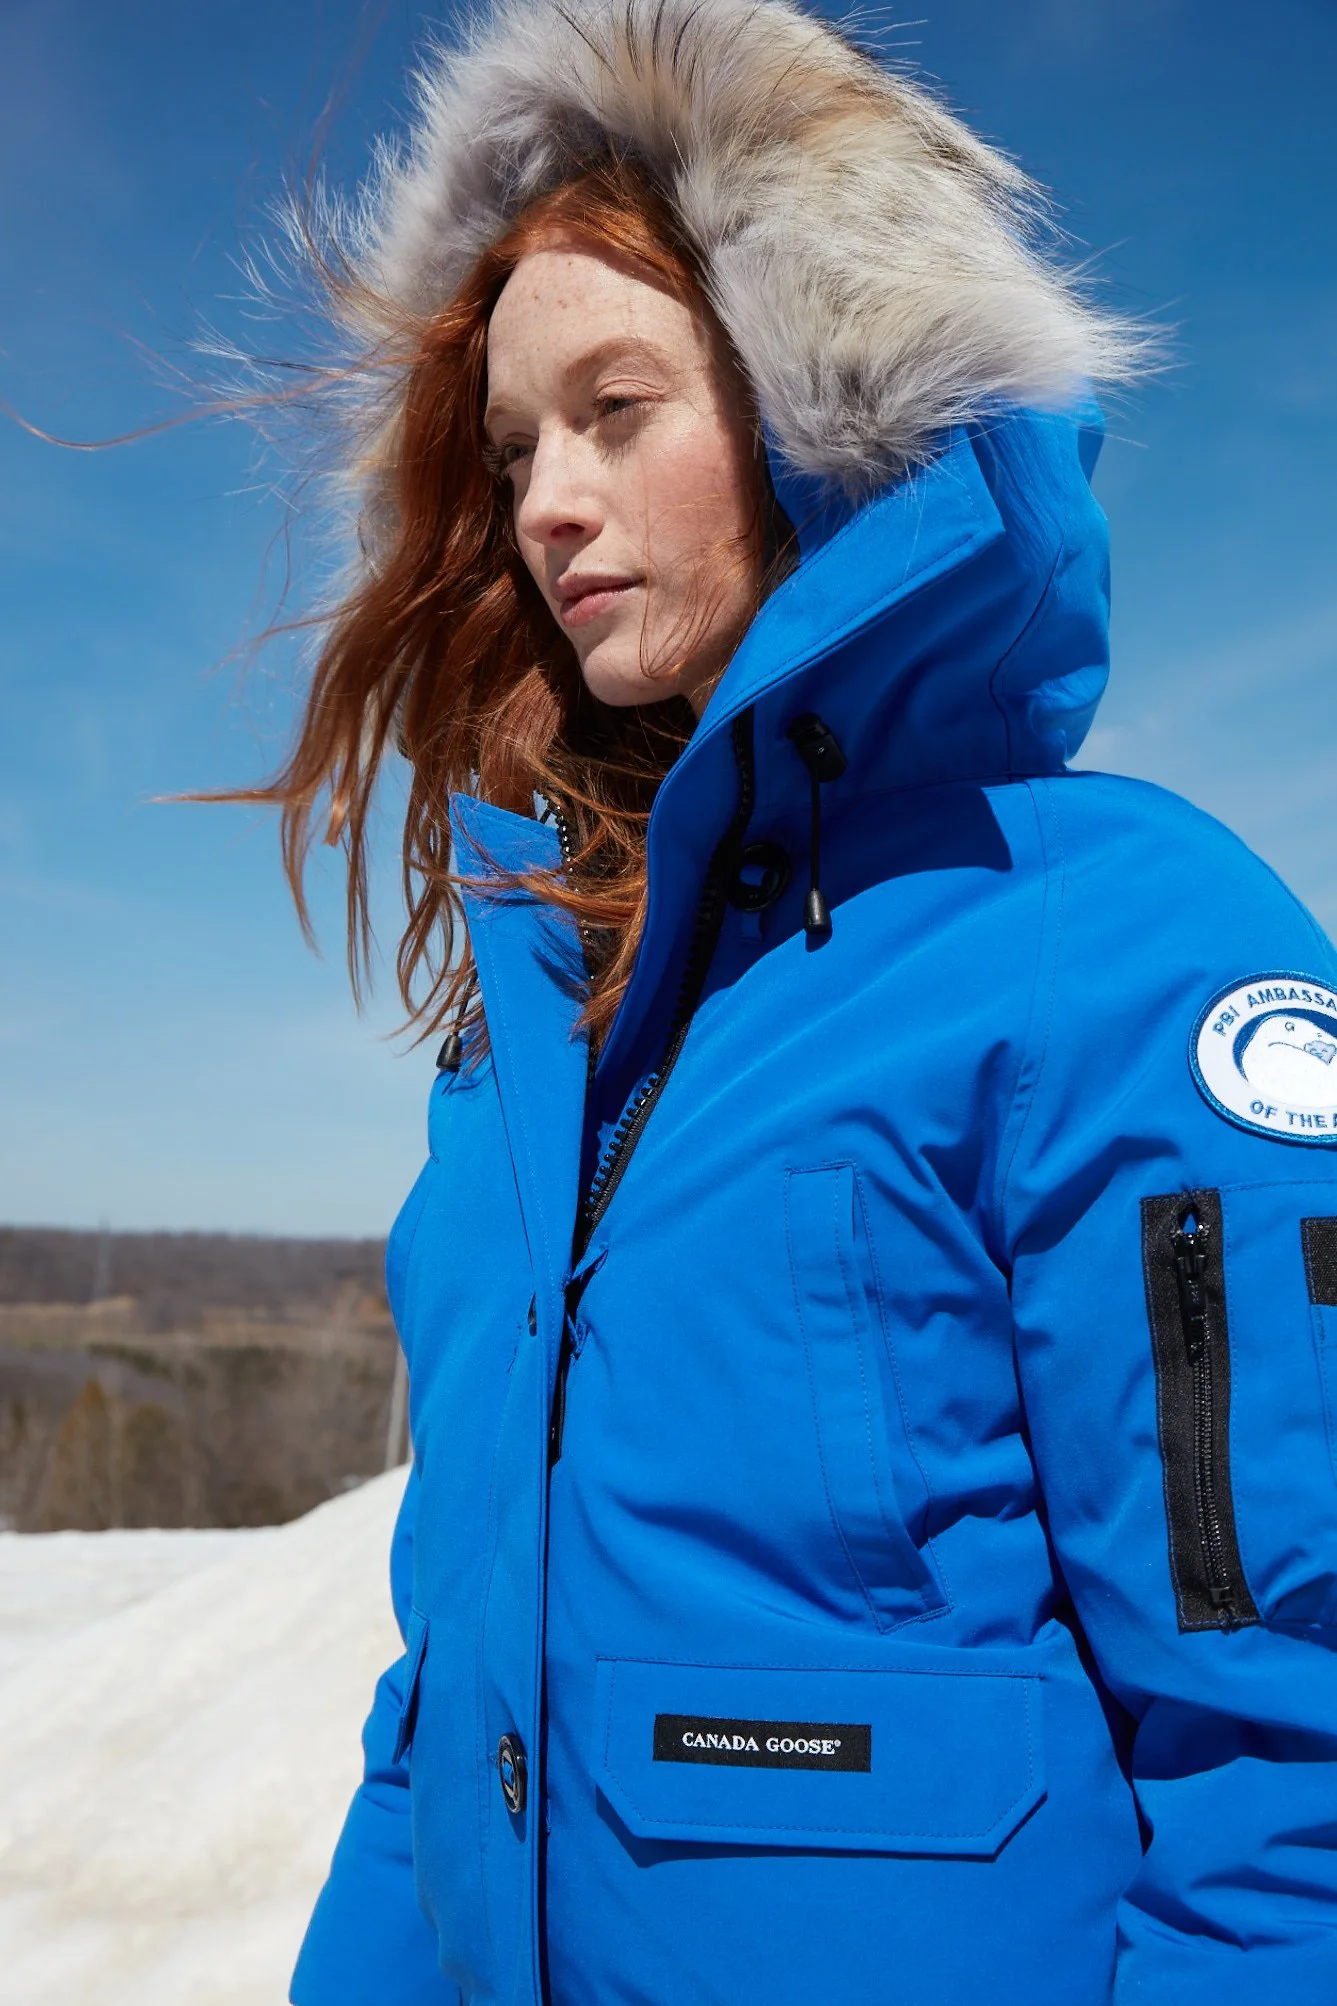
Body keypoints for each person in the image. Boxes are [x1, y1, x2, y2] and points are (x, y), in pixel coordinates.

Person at [259, 2, 1337, 2001]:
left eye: (612, 409)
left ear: (807, 404)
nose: (545, 509)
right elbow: (446, 1717)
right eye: (507, 452)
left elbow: (1291, 1761)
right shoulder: (532, 1032)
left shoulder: (1124, 948)